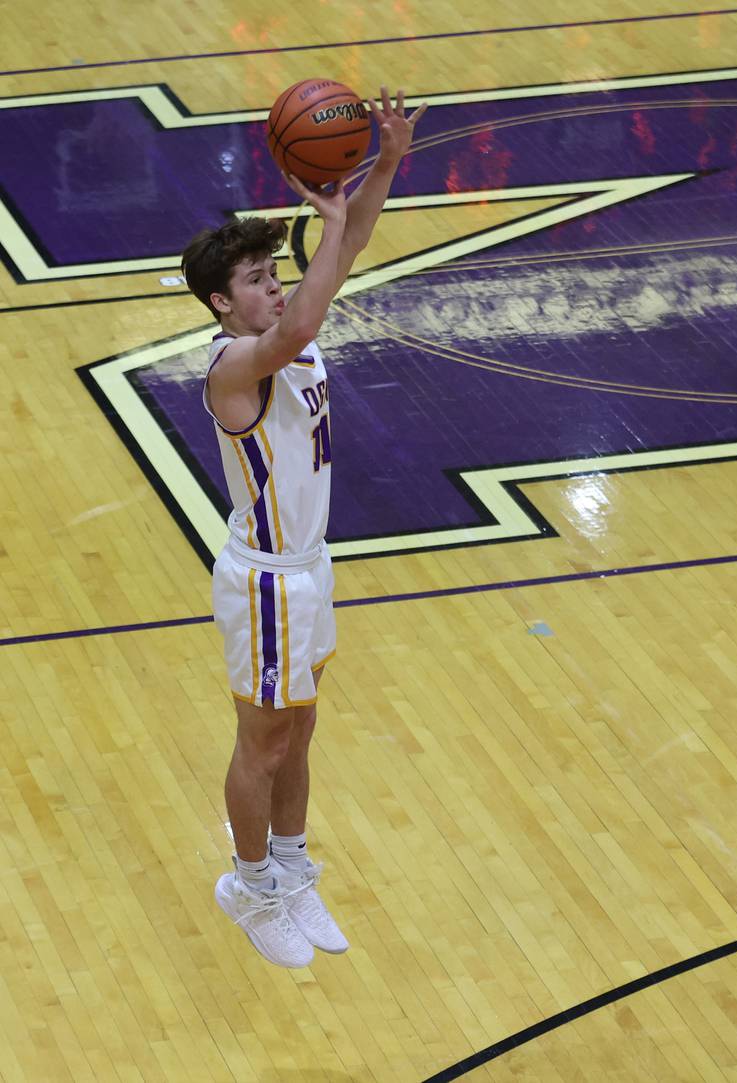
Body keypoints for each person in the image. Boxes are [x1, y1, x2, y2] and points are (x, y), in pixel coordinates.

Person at [180, 87, 427, 968]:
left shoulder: (290, 331)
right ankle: (247, 884)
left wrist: (385, 162)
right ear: (220, 303)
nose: (275, 285)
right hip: (267, 581)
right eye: (256, 280)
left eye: (275, 273)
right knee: (264, 737)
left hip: (310, 567)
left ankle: (290, 864)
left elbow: (350, 242)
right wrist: (324, 233)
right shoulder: (237, 367)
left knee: (303, 724)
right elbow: (311, 311)